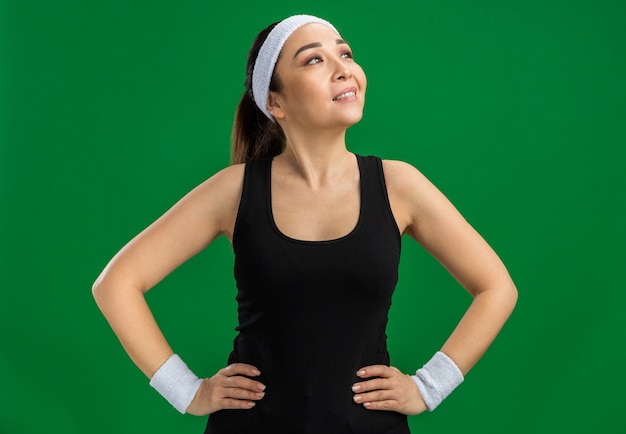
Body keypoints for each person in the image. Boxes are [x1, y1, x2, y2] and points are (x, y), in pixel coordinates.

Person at [92, 14, 517, 433]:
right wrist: (186, 391)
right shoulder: (234, 191)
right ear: (274, 102)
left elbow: (497, 288)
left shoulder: (398, 184)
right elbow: (116, 284)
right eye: (314, 60)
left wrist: (429, 387)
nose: (343, 69)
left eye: (345, 53)